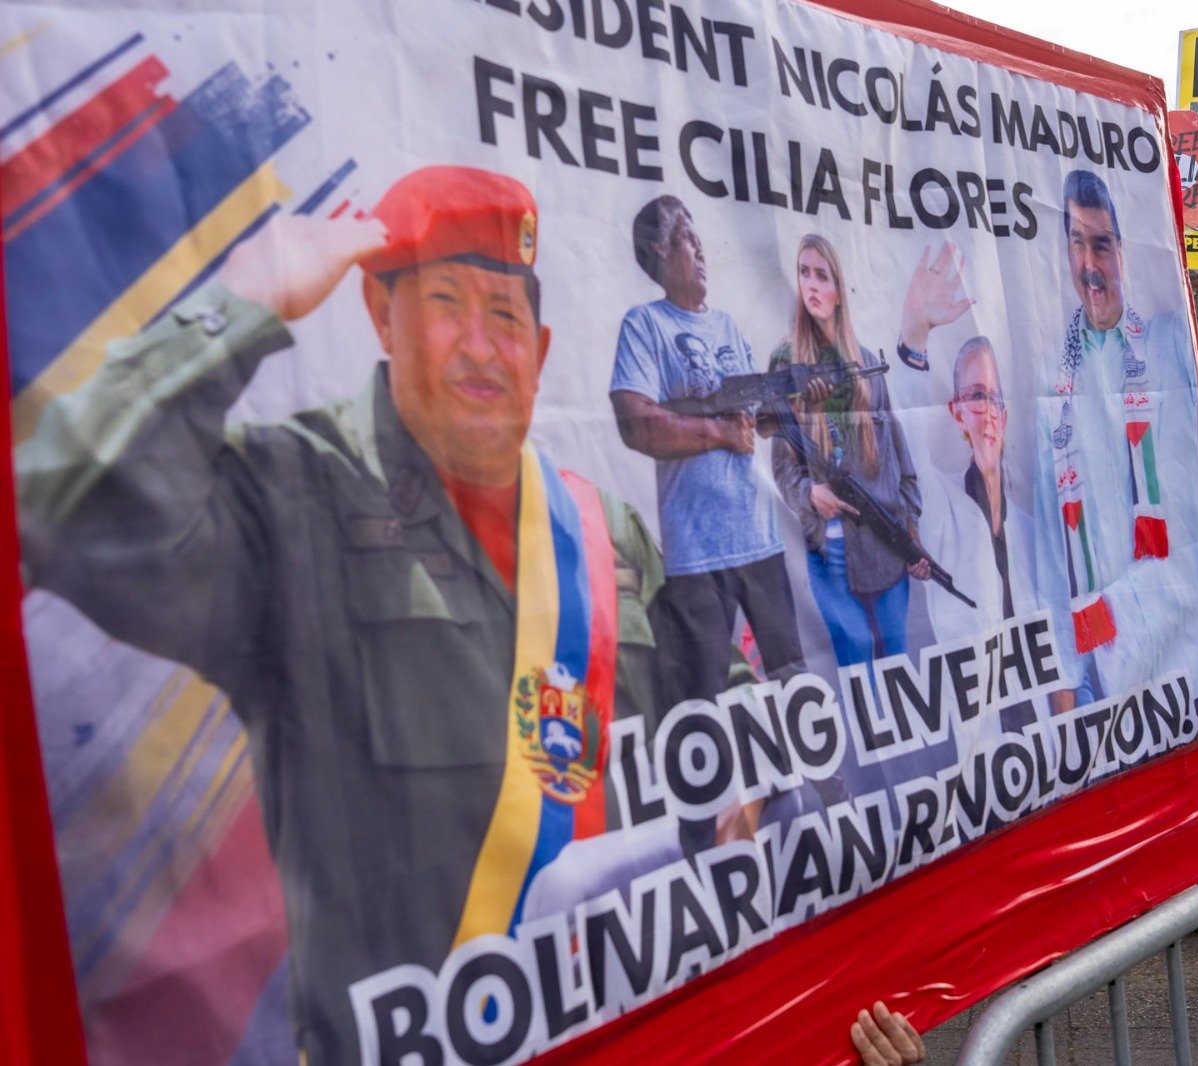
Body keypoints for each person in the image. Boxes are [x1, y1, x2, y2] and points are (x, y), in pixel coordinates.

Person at [14, 166, 675, 1063]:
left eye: (505, 315)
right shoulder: (291, 493)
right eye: (445, 304)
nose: (482, 346)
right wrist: (243, 302)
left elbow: (711, 687)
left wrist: (742, 787)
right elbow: (66, 511)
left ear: (542, 348)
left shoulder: (606, 530)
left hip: (638, 1020)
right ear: (381, 315)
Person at [1039, 168, 1198, 719]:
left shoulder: (1171, 343)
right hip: (1115, 674)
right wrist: (1067, 676)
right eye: (1077, 244)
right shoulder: (1051, 386)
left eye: (1102, 245)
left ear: (1122, 252)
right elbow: (1052, 543)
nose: (1090, 264)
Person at [610, 194, 806, 706]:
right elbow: (635, 423)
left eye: (699, 239)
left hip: (760, 541)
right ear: (659, 251)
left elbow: (757, 423)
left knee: (795, 692)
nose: (701, 250)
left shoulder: (726, 327)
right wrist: (718, 433)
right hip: (697, 555)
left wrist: (793, 403)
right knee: (703, 701)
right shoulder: (645, 325)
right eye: (687, 239)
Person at [768, 234, 927, 667]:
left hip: (885, 550)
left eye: (822, 275)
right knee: (857, 672)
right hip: (830, 555)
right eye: (804, 273)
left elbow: (902, 462)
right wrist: (810, 494)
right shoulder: (786, 366)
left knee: (896, 668)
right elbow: (782, 466)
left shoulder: (869, 363)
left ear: (840, 290)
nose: (812, 284)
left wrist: (910, 531)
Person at [917, 336, 1038, 646]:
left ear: (1005, 418)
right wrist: (914, 343)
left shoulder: (1029, 530)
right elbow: (910, 444)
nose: (989, 413)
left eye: (995, 399)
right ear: (958, 413)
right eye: (977, 397)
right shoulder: (940, 502)